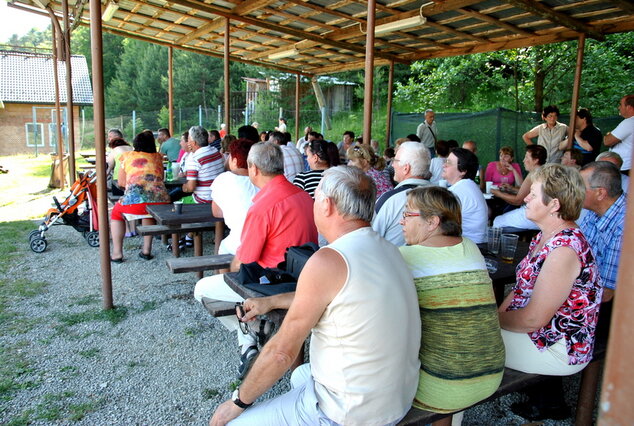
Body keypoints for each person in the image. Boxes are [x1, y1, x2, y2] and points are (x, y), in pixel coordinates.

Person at [209, 166, 420, 426]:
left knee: (229, 423)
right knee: (299, 375)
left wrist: (236, 402)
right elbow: (337, 295)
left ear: (327, 205)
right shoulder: (390, 250)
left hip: (348, 412)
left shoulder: (329, 260)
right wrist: (273, 301)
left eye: (315, 198)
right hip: (396, 399)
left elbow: (281, 352)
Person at [194, 142, 318, 377]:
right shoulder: (303, 196)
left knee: (202, 288)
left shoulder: (263, 205)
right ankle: (252, 336)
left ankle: (249, 338)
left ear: (253, 168)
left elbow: (244, 261)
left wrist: (230, 272)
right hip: (304, 279)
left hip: (271, 285)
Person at [399, 186, 504, 416]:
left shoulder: (405, 257)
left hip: (441, 387)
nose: (401, 221)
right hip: (490, 376)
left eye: (408, 214)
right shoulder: (470, 247)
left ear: (432, 222)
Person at [498, 164, 601, 374]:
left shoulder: (564, 249)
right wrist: (495, 316)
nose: (525, 198)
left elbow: (533, 319)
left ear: (554, 204)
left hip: (559, 348)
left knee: (463, 344)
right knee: (464, 333)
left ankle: (448, 403)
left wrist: (489, 320)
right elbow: (520, 291)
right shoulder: (544, 236)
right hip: (540, 335)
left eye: (533, 194)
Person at [109, 131, 170, 262]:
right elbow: (162, 179)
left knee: (115, 214)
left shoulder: (126, 156)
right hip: (161, 201)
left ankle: (117, 253)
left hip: (135, 201)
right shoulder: (158, 157)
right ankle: (146, 250)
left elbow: (120, 183)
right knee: (148, 213)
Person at [579, 161, 625, 303]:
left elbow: (606, 293)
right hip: (586, 287)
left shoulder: (624, 226)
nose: (574, 190)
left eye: (580, 186)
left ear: (600, 193)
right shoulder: (595, 210)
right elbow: (576, 251)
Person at [372, 142, 432, 246]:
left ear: (406, 168)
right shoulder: (445, 196)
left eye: (395, 160)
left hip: (393, 260)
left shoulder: (390, 200)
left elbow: (371, 238)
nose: (392, 164)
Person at [210, 139, 259, 256]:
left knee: (222, 248)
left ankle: (223, 275)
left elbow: (216, 213)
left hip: (241, 242)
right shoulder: (261, 180)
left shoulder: (223, 179)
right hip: (263, 239)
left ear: (235, 161)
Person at [491, 145, 548, 231]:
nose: (523, 160)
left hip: (534, 213)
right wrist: (511, 189)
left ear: (536, 160)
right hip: (546, 214)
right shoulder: (545, 171)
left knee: (497, 221)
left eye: (526, 157)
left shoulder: (533, 174)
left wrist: (498, 193)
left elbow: (518, 201)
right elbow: (528, 192)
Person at [443, 148, 487, 243]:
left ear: (463, 170)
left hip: (468, 247)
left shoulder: (458, 191)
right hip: (474, 244)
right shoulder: (467, 186)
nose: (444, 165)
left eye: (449, 163)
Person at [181, 126, 225, 204]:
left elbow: (191, 187)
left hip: (202, 200)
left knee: (175, 204)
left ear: (194, 143)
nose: (187, 143)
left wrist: (184, 187)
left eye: (188, 140)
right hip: (219, 199)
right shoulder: (215, 151)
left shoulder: (194, 158)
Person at [604, 94, 633, 174]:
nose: (619, 107)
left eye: (621, 104)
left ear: (629, 107)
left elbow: (607, 141)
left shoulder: (629, 122)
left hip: (625, 167)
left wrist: (609, 134)